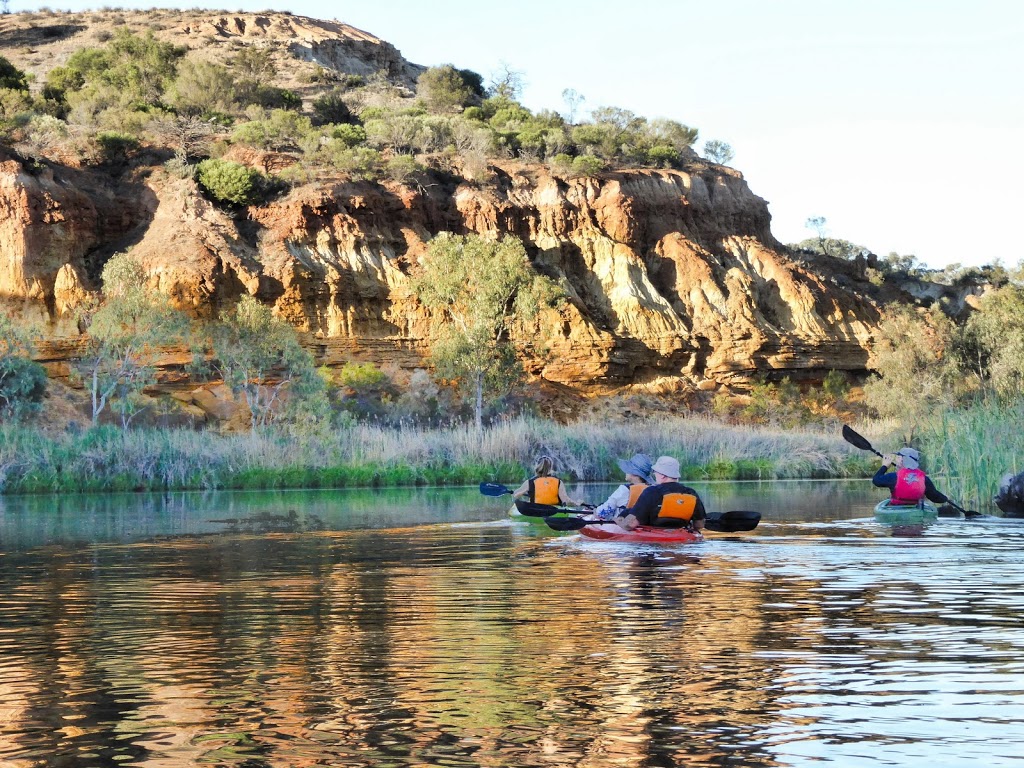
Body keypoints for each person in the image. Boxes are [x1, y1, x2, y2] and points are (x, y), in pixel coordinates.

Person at [616, 456, 706, 532]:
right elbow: (699, 524)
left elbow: (630, 524)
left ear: (663, 475)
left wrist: (618, 521)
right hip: (682, 536)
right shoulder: (691, 493)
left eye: (655, 472)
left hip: (653, 542)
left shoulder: (651, 492)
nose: (654, 475)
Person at [872, 447, 948, 505]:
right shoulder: (924, 478)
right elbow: (935, 497)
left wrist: (884, 466)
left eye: (898, 457)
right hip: (916, 512)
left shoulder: (894, 477)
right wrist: (945, 499)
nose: (896, 459)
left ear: (902, 459)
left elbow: (876, 480)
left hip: (897, 511)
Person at [592, 453, 654, 520]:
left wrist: (595, 511)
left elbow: (603, 512)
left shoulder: (624, 490)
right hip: (644, 524)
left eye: (628, 469)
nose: (626, 472)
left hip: (623, 525)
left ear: (634, 473)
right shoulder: (652, 489)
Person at [511, 455, 581, 506]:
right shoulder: (558, 482)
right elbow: (565, 500)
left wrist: (515, 492)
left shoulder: (530, 482)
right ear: (551, 468)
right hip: (554, 512)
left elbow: (516, 495)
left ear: (537, 466)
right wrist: (577, 503)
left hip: (536, 511)